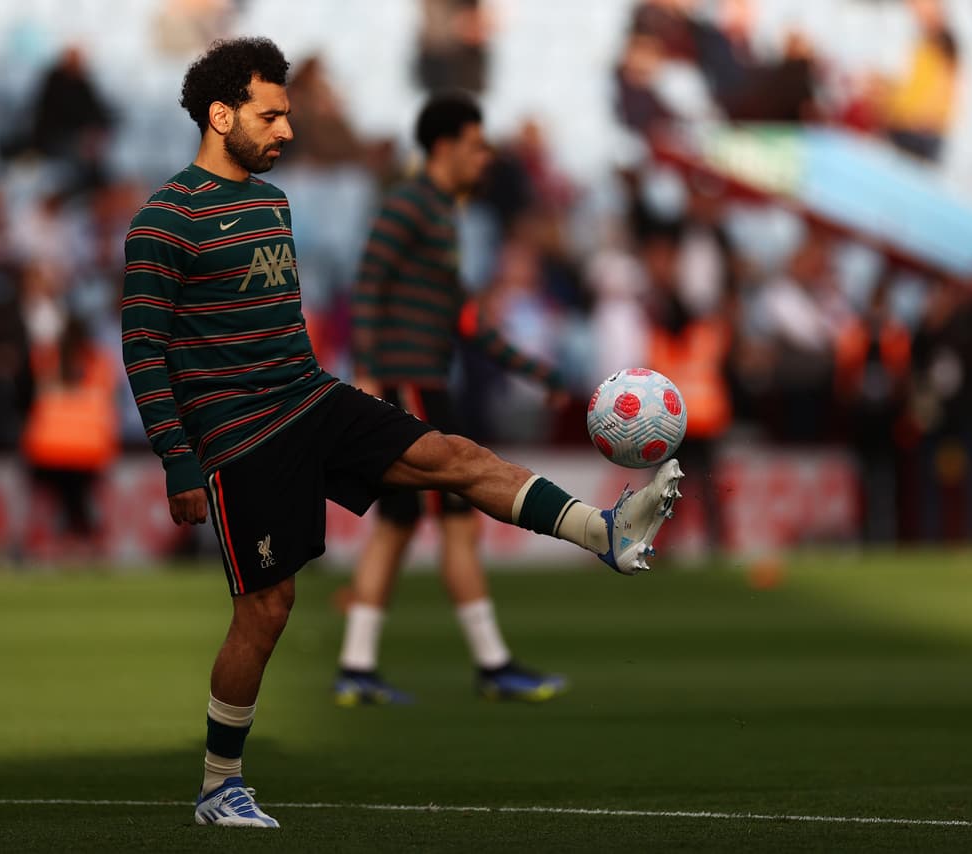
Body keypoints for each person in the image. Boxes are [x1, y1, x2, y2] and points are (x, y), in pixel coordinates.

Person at [122, 37, 683, 830]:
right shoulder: (162, 222)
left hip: (310, 396)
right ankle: (220, 787)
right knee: (267, 610)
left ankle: (606, 533)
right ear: (220, 116)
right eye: (271, 115)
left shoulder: (272, 203)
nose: (286, 130)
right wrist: (178, 458)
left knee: (452, 455)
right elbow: (143, 349)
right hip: (240, 437)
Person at [334, 94, 570, 707]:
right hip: (407, 381)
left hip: (421, 380)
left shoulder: (441, 212)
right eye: (476, 144)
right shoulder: (411, 203)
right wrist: (367, 372)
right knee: (458, 520)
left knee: (400, 523)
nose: (484, 156)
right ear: (443, 147)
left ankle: (357, 667)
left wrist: (530, 368)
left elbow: (462, 315)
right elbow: (368, 283)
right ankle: (491, 664)